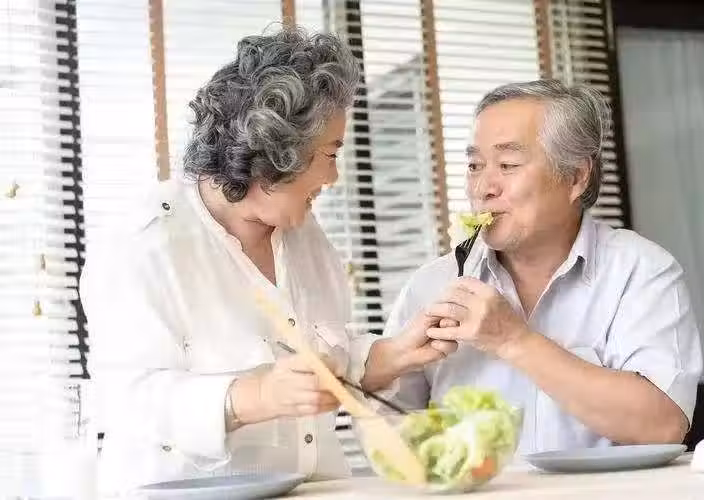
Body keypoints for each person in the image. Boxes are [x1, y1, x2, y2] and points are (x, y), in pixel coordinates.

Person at [80, 27, 454, 494]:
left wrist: (396, 354)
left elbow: (327, 362)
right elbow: (126, 399)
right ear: (276, 151)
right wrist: (256, 396)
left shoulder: (302, 234)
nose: (334, 176)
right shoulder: (143, 247)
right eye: (329, 154)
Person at [383, 80, 703, 453]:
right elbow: (387, 428)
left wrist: (514, 340)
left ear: (575, 176)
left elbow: (662, 425)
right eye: (474, 166)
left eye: (507, 165)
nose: (483, 188)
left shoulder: (641, 272)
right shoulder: (431, 286)